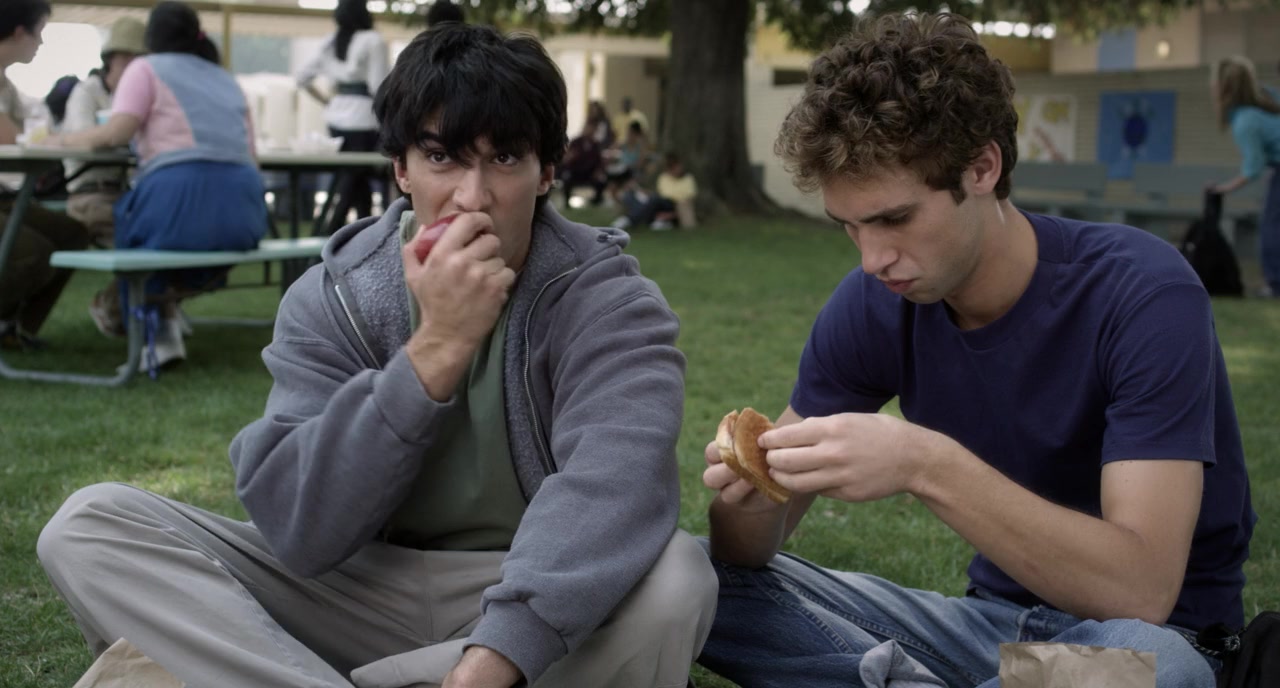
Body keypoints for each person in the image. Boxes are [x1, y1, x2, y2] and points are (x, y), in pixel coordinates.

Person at [39, 21, 717, 688]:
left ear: (545, 173)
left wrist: (496, 656)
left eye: (505, 158)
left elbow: (615, 484)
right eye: (442, 158)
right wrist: (436, 349)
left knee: (678, 577)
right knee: (89, 526)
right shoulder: (334, 296)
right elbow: (300, 529)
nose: (472, 196)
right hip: (353, 589)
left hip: (524, 583)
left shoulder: (608, 301)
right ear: (401, 170)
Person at [698, 13, 1255, 688]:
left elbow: (1139, 591)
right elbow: (748, 558)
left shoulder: (1144, 293)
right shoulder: (875, 302)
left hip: (1144, 641)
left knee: (1151, 665)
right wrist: (751, 501)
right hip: (984, 632)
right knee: (688, 578)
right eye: (849, 227)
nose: (872, 259)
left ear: (983, 167)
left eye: (894, 219)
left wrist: (923, 463)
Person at [49, 1, 267, 367]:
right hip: (245, 212)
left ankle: (155, 332)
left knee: (132, 228)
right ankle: (165, 320)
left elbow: (117, 133)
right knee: (167, 235)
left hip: (178, 194)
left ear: (150, 40)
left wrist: (62, 140)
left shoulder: (146, 69)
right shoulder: (224, 78)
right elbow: (252, 156)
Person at [0, 0, 91, 350]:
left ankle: (15, 329)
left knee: (72, 234)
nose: (40, 42)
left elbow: (36, 131)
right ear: (18, 32)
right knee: (34, 253)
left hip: (6, 195)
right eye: (39, 32)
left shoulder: (7, 84)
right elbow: (11, 137)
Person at [297, 0, 389, 235]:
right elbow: (378, 86)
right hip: (364, 119)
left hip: (336, 118)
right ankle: (330, 230)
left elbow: (302, 78)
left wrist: (327, 101)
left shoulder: (330, 42)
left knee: (356, 179)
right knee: (354, 176)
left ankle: (364, 232)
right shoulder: (373, 40)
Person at [60, 16, 146, 248]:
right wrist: (116, 132)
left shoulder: (138, 96)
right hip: (91, 194)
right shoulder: (87, 92)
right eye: (125, 59)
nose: (132, 67)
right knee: (139, 239)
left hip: (126, 193)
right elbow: (84, 140)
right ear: (110, 59)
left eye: (139, 60)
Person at [1208, 56, 1280, 298]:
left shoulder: (1245, 121)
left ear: (1225, 89)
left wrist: (1223, 189)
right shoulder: (1267, 100)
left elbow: (1253, 168)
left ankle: (1276, 285)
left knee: (1271, 227)